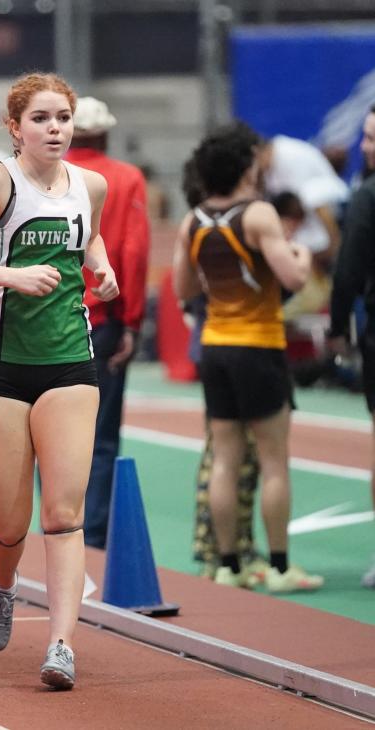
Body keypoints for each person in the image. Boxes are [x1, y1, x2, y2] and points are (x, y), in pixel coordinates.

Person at [0, 72, 119, 689]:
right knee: (10, 521)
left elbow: (88, 239)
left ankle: (61, 645)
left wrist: (103, 267)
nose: (55, 128)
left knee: (63, 512)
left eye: (62, 117)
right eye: (41, 119)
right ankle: (4, 587)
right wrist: (11, 276)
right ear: (16, 127)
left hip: (68, 360)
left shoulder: (92, 185)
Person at [172, 121, 322, 593]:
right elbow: (294, 280)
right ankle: (279, 567)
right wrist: (297, 253)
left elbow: (183, 288)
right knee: (275, 460)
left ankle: (228, 564)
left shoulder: (191, 220)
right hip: (257, 346)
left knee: (225, 459)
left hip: (215, 346)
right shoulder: (258, 215)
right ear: (244, 166)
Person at [63, 96, 150, 549]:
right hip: (104, 316)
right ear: (107, 133)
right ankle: (91, 532)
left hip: (50, 318)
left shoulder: (50, 175)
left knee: (51, 428)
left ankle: (57, 524)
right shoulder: (126, 178)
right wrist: (133, 320)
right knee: (101, 432)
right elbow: (132, 253)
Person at [328, 103, 375, 588]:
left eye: (373, 140)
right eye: (365, 137)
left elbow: (348, 270)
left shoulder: (367, 196)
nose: (364, 147)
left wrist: (339, 326)